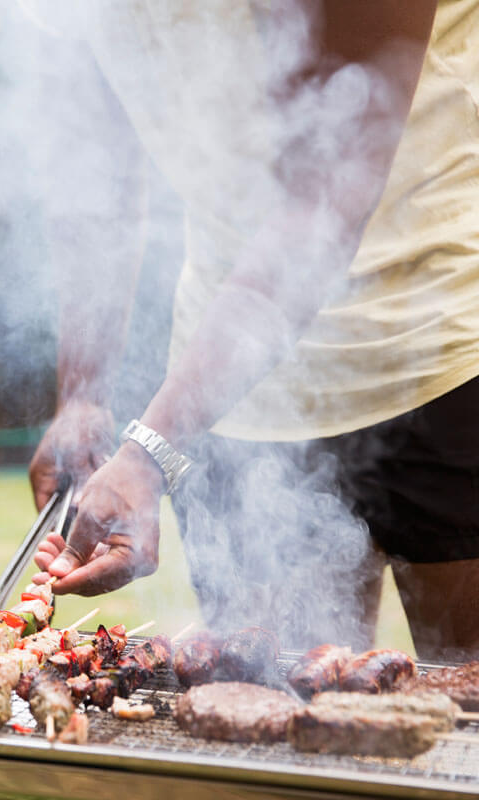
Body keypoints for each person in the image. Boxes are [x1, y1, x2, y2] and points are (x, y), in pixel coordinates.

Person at [26, 1, 479, 658]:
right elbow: (95, 169)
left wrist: (150, 451)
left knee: (467, 730)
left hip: (440, 349)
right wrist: (83, 396)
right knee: (273, 722)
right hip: (231, 387)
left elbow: (327, 199)